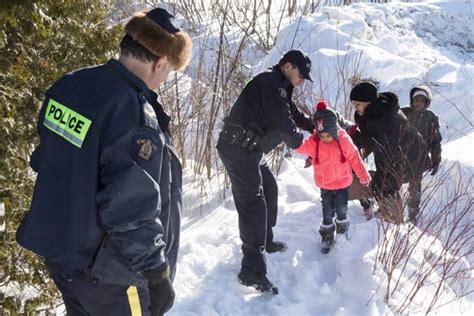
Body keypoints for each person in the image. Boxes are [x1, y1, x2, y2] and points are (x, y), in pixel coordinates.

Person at [16, 8, 191, 315]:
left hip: (62, 256)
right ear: (160, 62)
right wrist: (157, 273)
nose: (163, 79)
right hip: (112, 276)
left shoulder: (69, 86)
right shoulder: (134, 114)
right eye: (167, 72)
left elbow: (45, 158)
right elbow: (131, 207)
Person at [216, 49, 314, 294]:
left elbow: (292, 114)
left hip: (252, 150)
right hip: (238, 150)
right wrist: (304, 142)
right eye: (301, 75)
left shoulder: (278, 85)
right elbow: (285, 126)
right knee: (253, 205)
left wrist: (315, 125)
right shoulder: (269, 83)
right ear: (289, 66)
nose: (302, 80)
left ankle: (266, 240)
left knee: (269, 188)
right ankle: (251, 270)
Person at [296, 101, 371, 253]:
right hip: (325, 185)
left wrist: (363, 176)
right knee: (327, 212)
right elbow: (301, 147)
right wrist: (291, 137)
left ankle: (342, 233)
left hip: (343, 184)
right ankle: (327, 237)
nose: (325, 138)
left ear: (334, 130)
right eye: (321, 135)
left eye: (328, 135)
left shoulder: (343, 140)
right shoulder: (315, 142)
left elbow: (355, 158)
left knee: (342, 210)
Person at [349, 82, 425, 224]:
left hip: (411, 158)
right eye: (354, 104)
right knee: (381, 182)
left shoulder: (388, 119)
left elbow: (389, 152)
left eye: (358, 104)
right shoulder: (372, 113)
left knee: (384, 183)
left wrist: (380, 180)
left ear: (369, 102)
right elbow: (372, 139)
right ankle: (388, 213)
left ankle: (393, 219)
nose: (355, 108)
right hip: (394, 153)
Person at [401, 85, 442, 224]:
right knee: (393, 183)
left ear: (427, 102)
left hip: (419, 161)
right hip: (401, 158)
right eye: (415, 100)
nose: (418, 103)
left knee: (415, 189)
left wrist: (436, 160)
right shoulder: (404, 114)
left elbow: (436, 142)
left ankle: (412, 215)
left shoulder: (430, 118)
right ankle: (390, 211)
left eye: (422, 100)